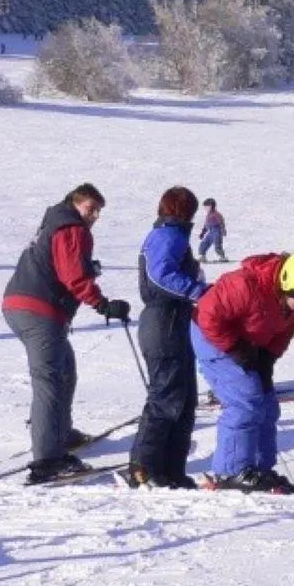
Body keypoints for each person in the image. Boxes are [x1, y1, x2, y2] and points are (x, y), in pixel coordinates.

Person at [2, 183, 128, 485]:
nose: (95, 215)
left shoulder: (56, 222)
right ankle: (47, 460)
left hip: (24, 306)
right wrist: (103, 305)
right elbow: (74, 276)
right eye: (90, 208)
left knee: (65, 370)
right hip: (38, 309)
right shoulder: (71, 227)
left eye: (98, 211)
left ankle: (60, 432)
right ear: (76, 203)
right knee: (51, 380)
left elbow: (64, 268)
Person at [193, 248, 294, 493]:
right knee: (245, 400)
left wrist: (267, 359)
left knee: (267, 404)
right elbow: (208, 316)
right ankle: (231, 471)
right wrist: (236, 348)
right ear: (285, 282)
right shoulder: (244, 285)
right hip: (211, 336)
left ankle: (258, 469)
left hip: (247, 343)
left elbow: (284, 331)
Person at [128, 187, 208, 489]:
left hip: (173, 322)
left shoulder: (171, 234)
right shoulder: (168, 235)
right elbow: (160, 275)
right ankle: (143, 468)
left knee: (185, 400)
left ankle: (172, 470)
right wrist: (198, 291)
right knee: (165, 397)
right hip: (164, 323)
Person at [197, 198, 228, 263]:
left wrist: (223, 230)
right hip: (210, 231)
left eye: (207, 207)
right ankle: (203, 256)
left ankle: (222, 257)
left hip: (217, 231)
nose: (205, 209)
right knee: (204, 243)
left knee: (217, 244)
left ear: (212, 206)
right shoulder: (208, 215)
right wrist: (203, 233)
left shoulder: (217, 214)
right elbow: (206, 224)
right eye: (205, 207)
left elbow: (221, 222)